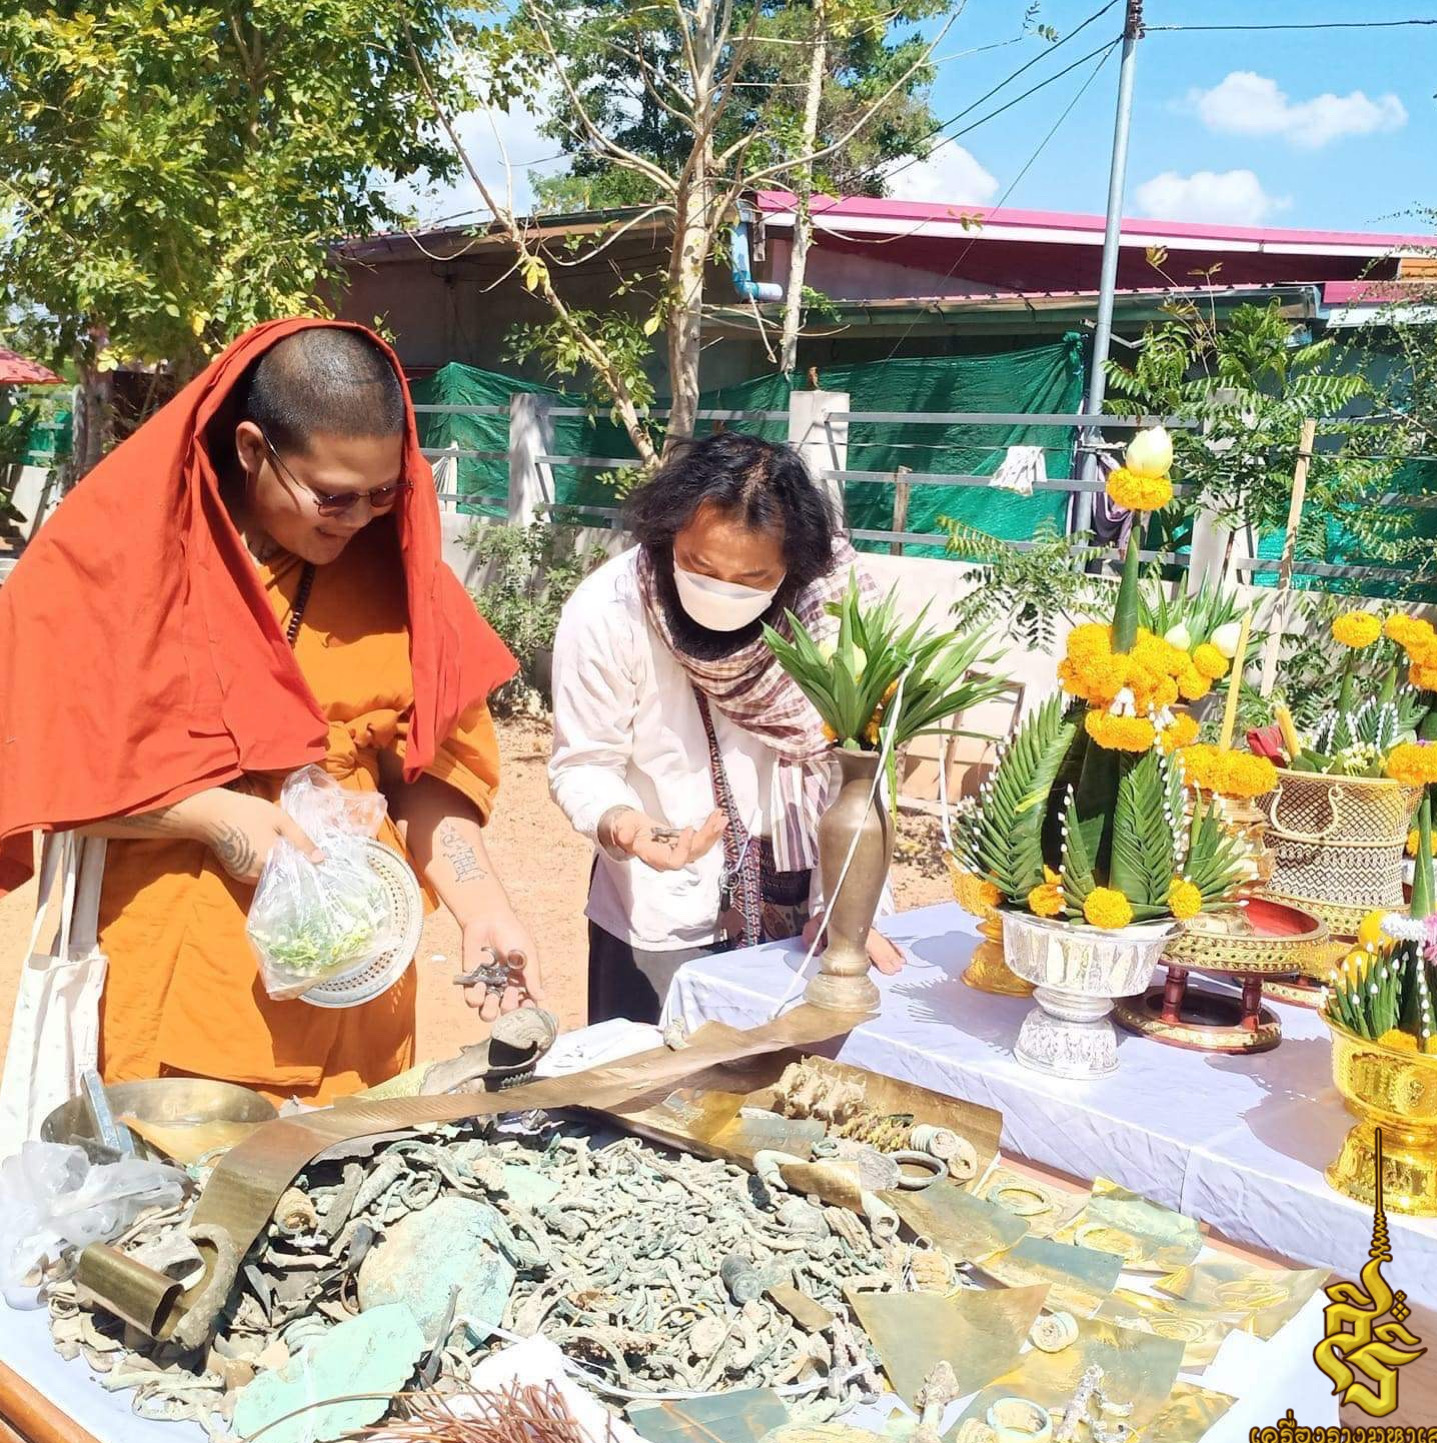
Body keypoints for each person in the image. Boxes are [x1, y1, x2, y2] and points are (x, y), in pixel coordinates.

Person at [0, 320, 542, 1102]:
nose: (359, 517)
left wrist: (483, 906)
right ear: (253, 449)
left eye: (385, 490)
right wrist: (209, 817)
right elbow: (39, 762)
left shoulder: (394, 574)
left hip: (353, 984)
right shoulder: (117, 562)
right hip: (171, 990)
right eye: (333, 495)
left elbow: (423, 769)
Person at [549, 431, 903, 1026]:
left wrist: (847, 904)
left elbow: (862, 758)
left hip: (811, 907)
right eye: (699, 566)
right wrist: (632, 829)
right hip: (666, 906)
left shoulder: (834, 609)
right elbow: (584, 764)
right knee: (653, 1093)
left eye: (752, 578)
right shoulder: (610, 608)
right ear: (668, 536)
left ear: (793, 568)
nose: (721, 592)